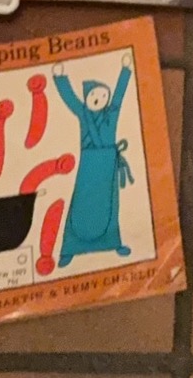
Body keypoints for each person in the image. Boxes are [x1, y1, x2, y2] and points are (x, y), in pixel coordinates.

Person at [54, 62, 135, 264]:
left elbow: (119, 96)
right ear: (87, 99)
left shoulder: (111, 114)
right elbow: (71, 99)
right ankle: (70, 248)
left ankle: (113, 242)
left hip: (108, 162)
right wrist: (60, 78)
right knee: (81, 201)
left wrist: (125, 70)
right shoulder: (84, 114)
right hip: (89, 162)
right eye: (94, 96)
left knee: (109, 205)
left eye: (103, 95)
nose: (99, 99)